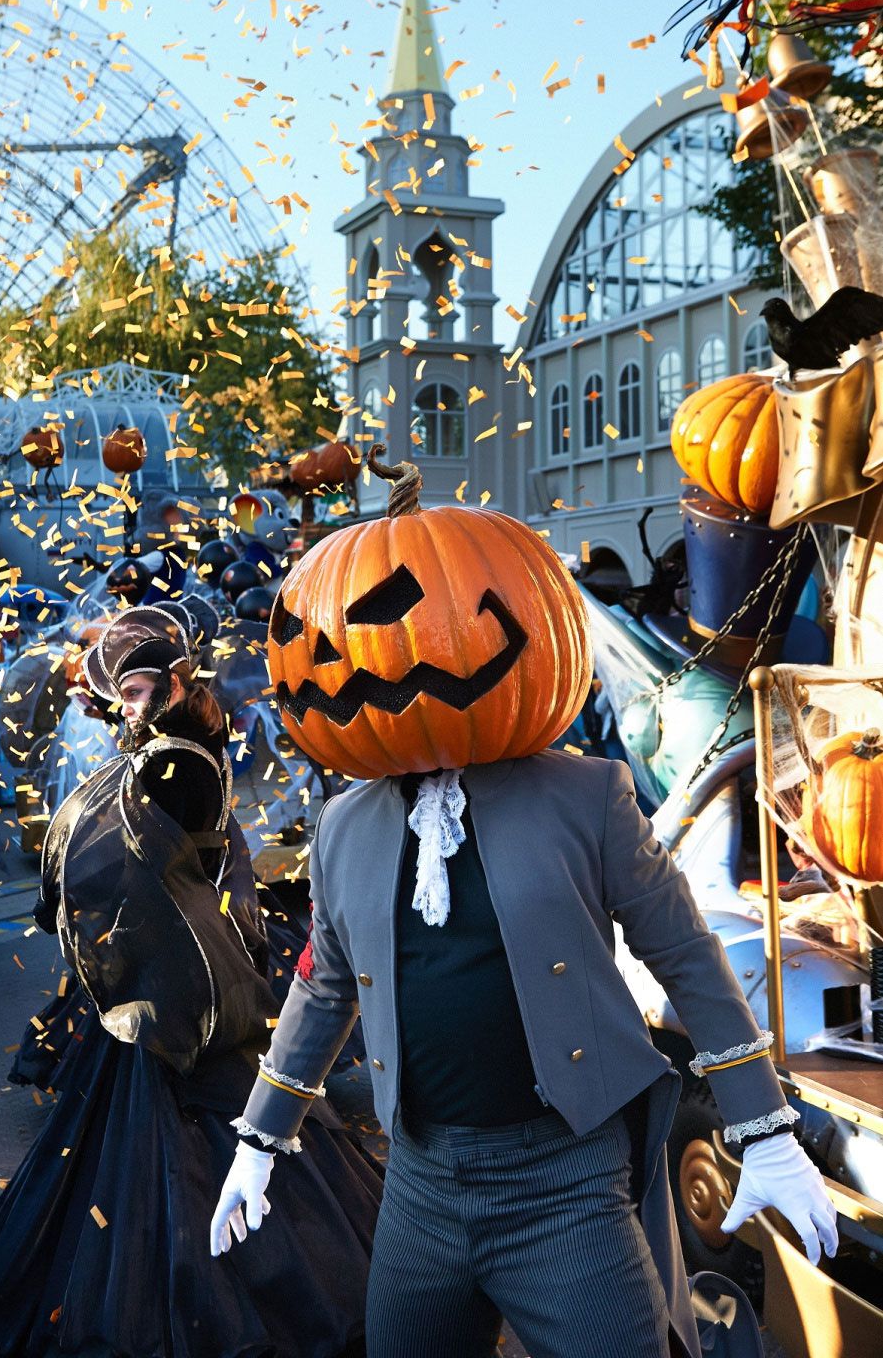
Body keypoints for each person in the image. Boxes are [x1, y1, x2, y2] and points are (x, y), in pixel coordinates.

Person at [211, 456, 839, 1358]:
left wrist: (763, 1125)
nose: (381, 653)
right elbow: (325, 987)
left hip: (563, 1178)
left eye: (412, 617)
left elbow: (684, 955)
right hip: (420, 1182)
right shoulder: (345, 825)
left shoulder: (586, 796)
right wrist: (260, 1139)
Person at [0, 604, 381, 1358]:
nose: (127, 706)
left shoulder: (173, 760)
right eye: (122, 694)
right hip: (164, 972)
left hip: (180, 984)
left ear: (176, 683)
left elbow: (122, 863)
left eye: (138, 691)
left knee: (192, 1146)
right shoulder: (176, 751)